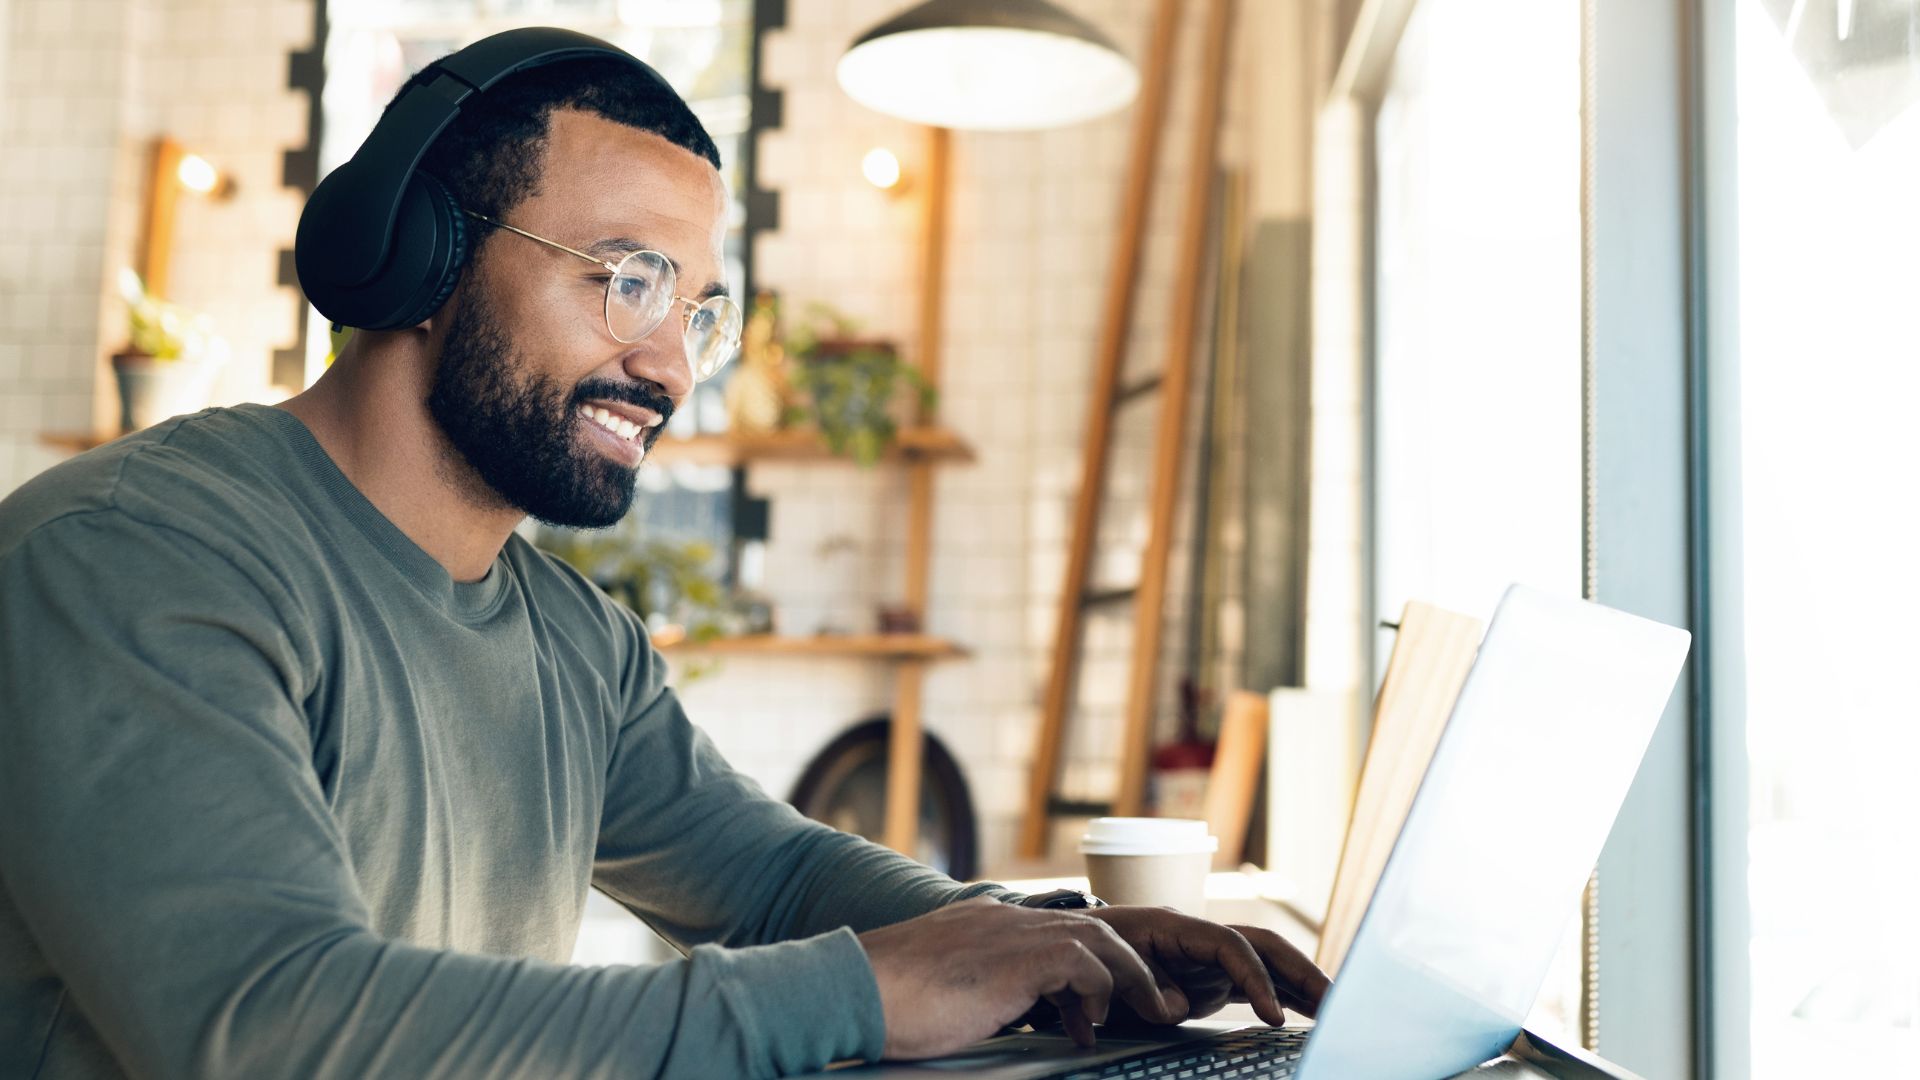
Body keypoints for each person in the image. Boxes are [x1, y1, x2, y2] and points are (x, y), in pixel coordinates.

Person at [0, 31, 1326, 1080]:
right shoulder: (131, 558)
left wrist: (1041, 941)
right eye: (625, 279)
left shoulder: (572, 642)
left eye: (699, 310)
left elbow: (773, 876)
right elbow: (272, 1027)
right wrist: (864, 995)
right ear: (417, 259)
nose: (668, 363)